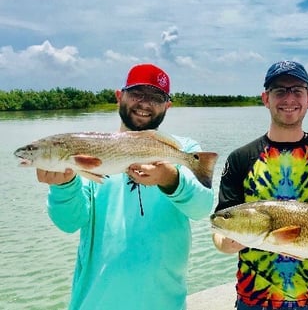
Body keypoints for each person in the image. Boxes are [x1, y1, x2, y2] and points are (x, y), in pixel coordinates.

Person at [35, 64, 215, 310]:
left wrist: (170, 178)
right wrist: (64, 185)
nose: (144, 103)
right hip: (95, 303)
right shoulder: (89, 150)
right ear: (120, 96)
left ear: (167, 106)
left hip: (165, 303)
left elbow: (202, 208)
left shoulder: (183, 149)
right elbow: (69, 223)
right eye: (137, 94)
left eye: (155, 97)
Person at [212, 60, 308, 310]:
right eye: (279, 91)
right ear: (265, 98)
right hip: (252, 298)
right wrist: (226, 243)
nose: (289, 98)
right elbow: (221, 223)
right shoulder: (240, 159)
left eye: (297, 90)